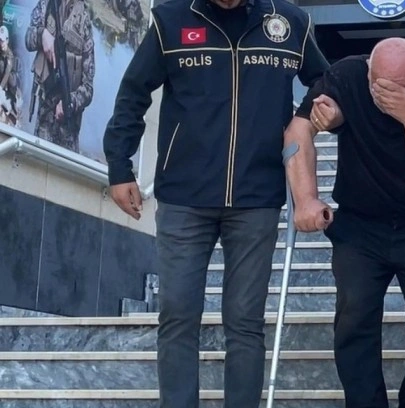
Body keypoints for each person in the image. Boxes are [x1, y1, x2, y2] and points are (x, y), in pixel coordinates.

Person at [102, 0, 329, 406]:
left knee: (245, 321)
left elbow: (327, 82)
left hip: (257, 196)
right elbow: (134, 92)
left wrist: (305, 117)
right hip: (183, 196)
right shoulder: (170, 20)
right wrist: (120, 166)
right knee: (177, 315)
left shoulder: (290, 22)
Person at [283, 37, 405, 408]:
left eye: (401, 88)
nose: (387, 95)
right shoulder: (347, 75)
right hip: (360, 225)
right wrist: (307, 199)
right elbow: (297, 131)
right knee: (354, 315)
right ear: (368, 74)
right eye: (380, 86)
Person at [25, 0, 94, 153]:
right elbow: (28, 40)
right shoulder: (46, 5)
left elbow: (88, 88)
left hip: (68, 129)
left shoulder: (85, 20)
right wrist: (42, 34)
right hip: (45, 120)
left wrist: (69, 103)